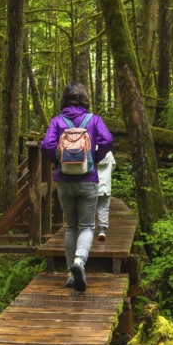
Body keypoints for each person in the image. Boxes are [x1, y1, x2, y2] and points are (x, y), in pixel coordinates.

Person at [41, 83, 113, 292]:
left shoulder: (57, 121)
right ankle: (80, 262)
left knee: (70, 226)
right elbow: (107, 140)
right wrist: (93, 159)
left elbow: (46, 145)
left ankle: (71, 275)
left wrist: (58, 161)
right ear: (85, 100)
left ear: (64, 99)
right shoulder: (94, 120)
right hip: (88, 179)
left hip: (64, 181)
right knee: (87, 226)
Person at [96, 151, 116, 241]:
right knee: (103, 207)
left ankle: (87, 229)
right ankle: (102, 230)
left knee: (88, 208)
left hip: (92, 185)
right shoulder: (108, 153)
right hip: (105, 185)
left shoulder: (89, 149)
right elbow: (113, 166)